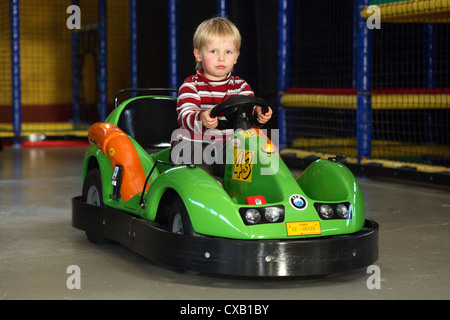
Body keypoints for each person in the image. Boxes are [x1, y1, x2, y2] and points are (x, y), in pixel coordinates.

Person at [172, 17, 273, 173]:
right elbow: (185, 116)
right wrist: (201, 118)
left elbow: (247, 118)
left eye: (228, 52)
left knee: (252, 148)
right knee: (190, 152)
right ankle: (208, 187)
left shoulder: (241, 86)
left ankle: (245, 188)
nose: (221, 58)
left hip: (227, 148)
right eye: (213, 51)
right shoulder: (191, 86)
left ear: (236, 57)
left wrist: (259, 115)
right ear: (198, 55)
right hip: (195, 144)